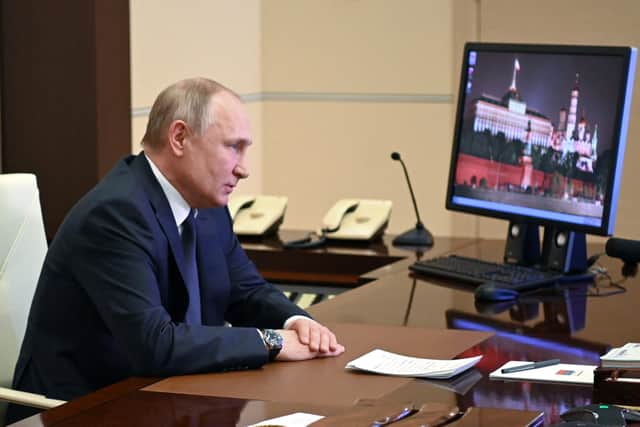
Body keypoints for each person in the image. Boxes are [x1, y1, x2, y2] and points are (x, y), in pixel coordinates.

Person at [6, 78, 345, 423]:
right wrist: (272, 341)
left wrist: (298, 322)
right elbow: (156, 344)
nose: (243, 169)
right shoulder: (116, 213)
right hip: (82, 410)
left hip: (166, 399)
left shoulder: (208, 205)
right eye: (232, 147)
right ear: (179, 137)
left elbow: (245, 290)